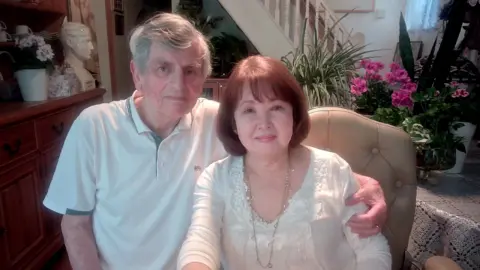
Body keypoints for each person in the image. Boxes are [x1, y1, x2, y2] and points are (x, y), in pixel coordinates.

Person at [43, 13, 387, 270]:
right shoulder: (95, 126)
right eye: (163, 68)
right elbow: (75, 225)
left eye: (191, 70)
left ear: (203, 76)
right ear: (138, 73)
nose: (179, 84)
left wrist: (365, 185)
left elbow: (283, 145)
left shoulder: (217, 119)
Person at [177, 55, 391, 270]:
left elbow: (372, 250)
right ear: (234, 123)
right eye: (249, 110)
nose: (264, 123)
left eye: (277, 108)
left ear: (294, 115)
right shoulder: (216, 178)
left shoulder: (333, 169)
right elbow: (201, 240)